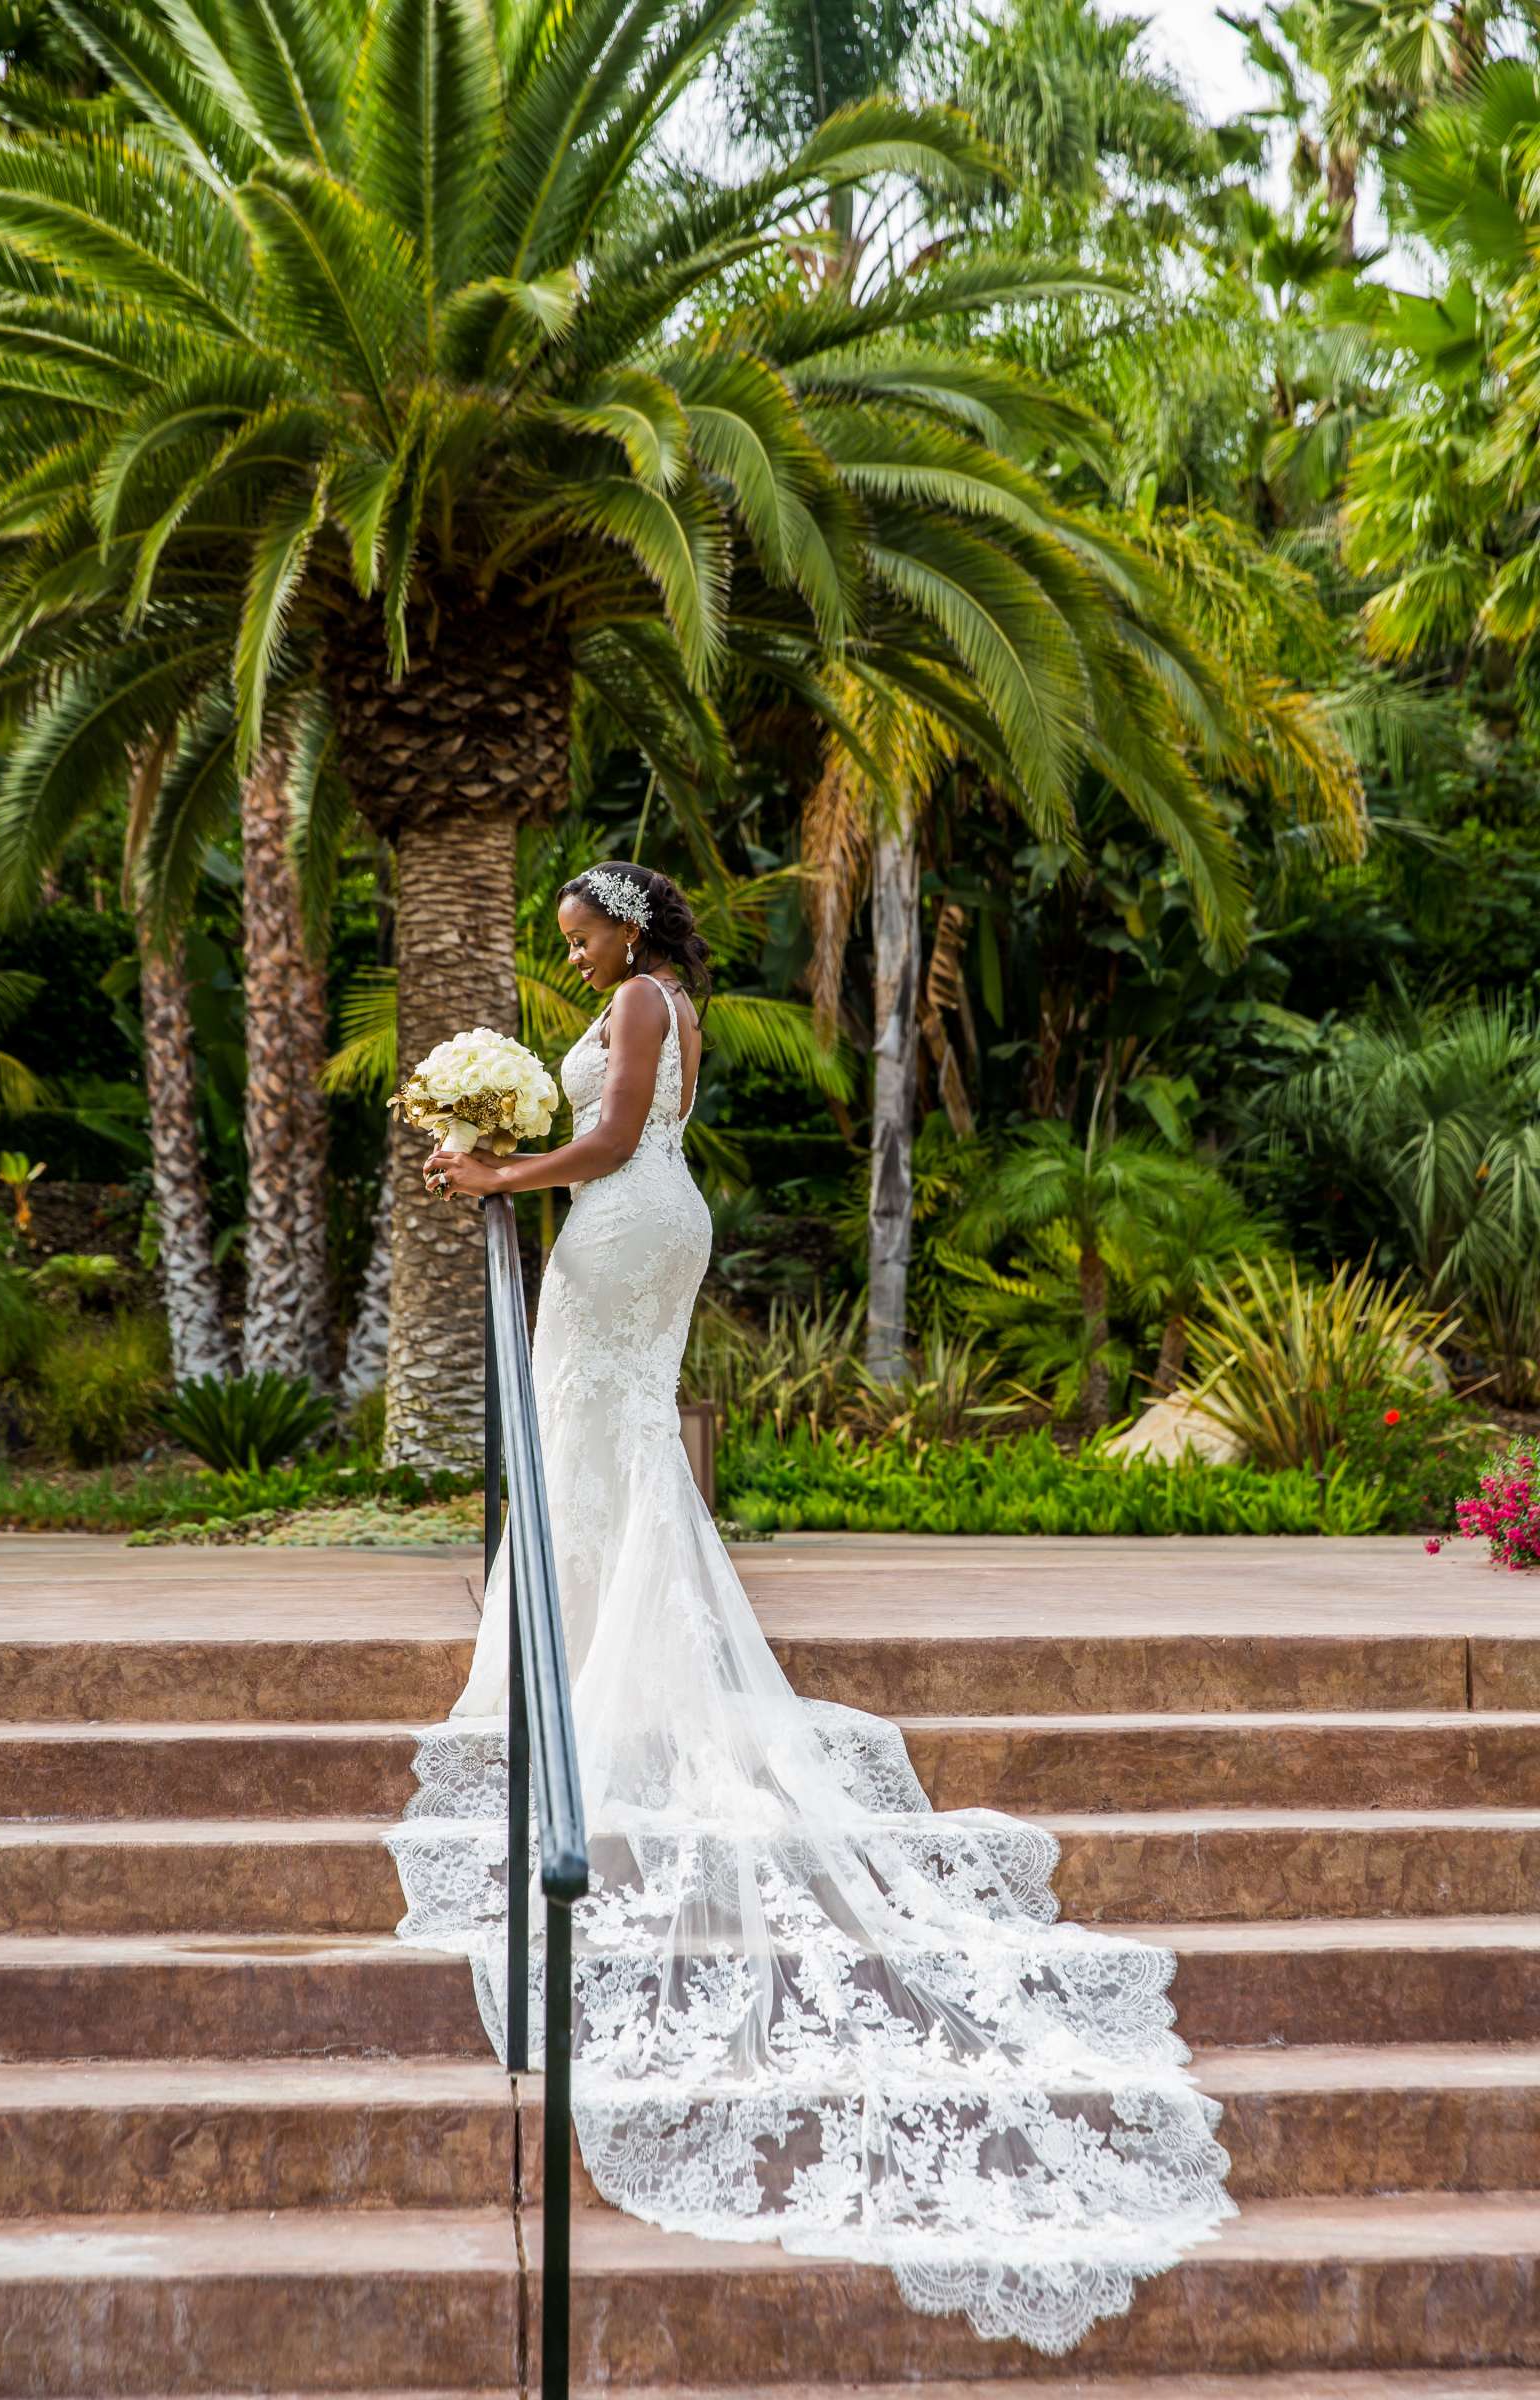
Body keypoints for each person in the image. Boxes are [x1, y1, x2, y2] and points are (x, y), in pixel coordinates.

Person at [388, 859, 1235, 2355]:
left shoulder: (647, 1000)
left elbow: (608, 1138)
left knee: (602, 1438)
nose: (570, 960)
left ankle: (600, 1679)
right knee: (596, 1443)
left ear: (628, 927)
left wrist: (494, 1176)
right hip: (643, 1227)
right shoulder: (660, 994)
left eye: (578, 935)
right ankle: (587, 1661)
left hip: (631, 1225)